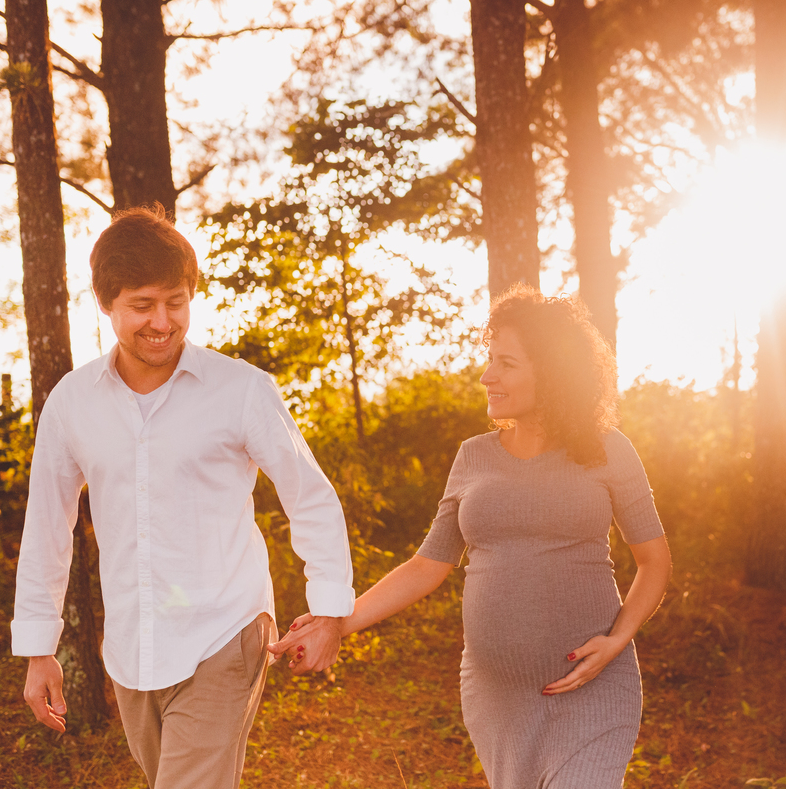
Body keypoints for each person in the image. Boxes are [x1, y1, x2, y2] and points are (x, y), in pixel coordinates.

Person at [269, 285, 672, 788]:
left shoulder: (608, 450)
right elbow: (427, 566)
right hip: (496, 698)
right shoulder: (473, 456)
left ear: (552, 371)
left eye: (506, 362)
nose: (487, 375)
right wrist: (336, 623)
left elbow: (654, 562)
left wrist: (618, 639)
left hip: (592, 688)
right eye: (489, 358)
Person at [11, 205, 354, 789]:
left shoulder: (241, 389)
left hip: (226, 630)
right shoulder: (71, 404)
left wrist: (329, 611)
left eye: (176, 301)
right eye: (142, 306)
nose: (162, 322)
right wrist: (39, 649)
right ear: (106, 303)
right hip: (129, 648)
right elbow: (47, 526)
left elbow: (310, 496)